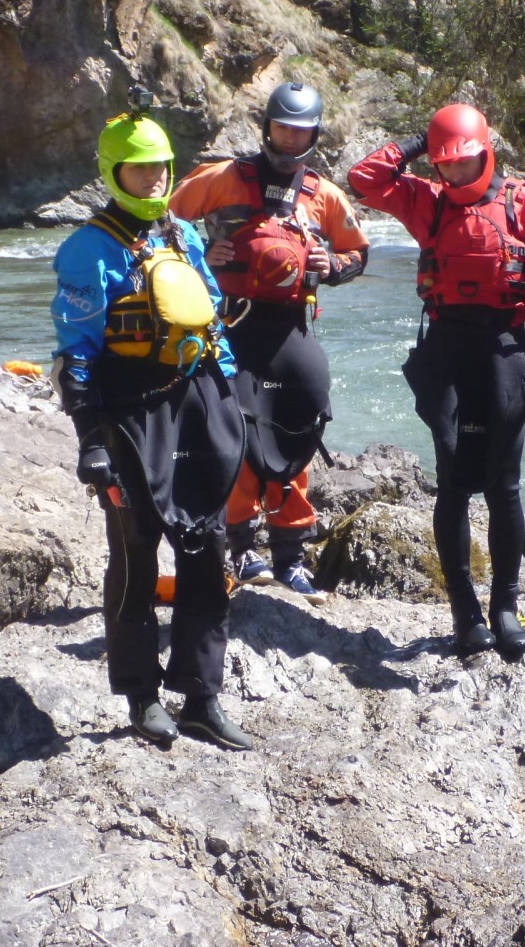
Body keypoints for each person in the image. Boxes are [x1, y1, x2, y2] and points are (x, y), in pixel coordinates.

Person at [51, 100, 252, 751]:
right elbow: (75, 357)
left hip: (195, 403)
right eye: (139, 170)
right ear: (114, 173)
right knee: (136, 556)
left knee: (208, 550)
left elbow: (212, 324)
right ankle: (141, 697)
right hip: (129, 414)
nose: (155, 178)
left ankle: (201, 696)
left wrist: (228, 400)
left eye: (161, 167)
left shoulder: (183, 235)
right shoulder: (87, 252)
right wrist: (91, 442)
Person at [348, 104, 525, 660]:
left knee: (503, 484)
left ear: (485, 153)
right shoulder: (427, 201)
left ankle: (505, 606)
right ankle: (464, 612)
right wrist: (419, 143)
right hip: (447, 350)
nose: (453, 176)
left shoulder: (524, 205)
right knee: (452, 477)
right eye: (445, 166)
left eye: (464, 164)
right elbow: (364, 179)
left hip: (505, 349)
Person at [169, 81, 369, 602]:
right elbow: (164, 222)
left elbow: (357, 253)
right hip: (230, 326)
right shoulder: (221, 178)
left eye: (300, 131)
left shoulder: (322, 194)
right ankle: (241, 548)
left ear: (313, 135)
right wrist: (198, 253)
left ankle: (289, 556)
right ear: (266, 128)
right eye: (282, 128)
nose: (289, 138)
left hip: (289, 328)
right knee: (234, 438)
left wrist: (334, 267)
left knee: (294, 435)